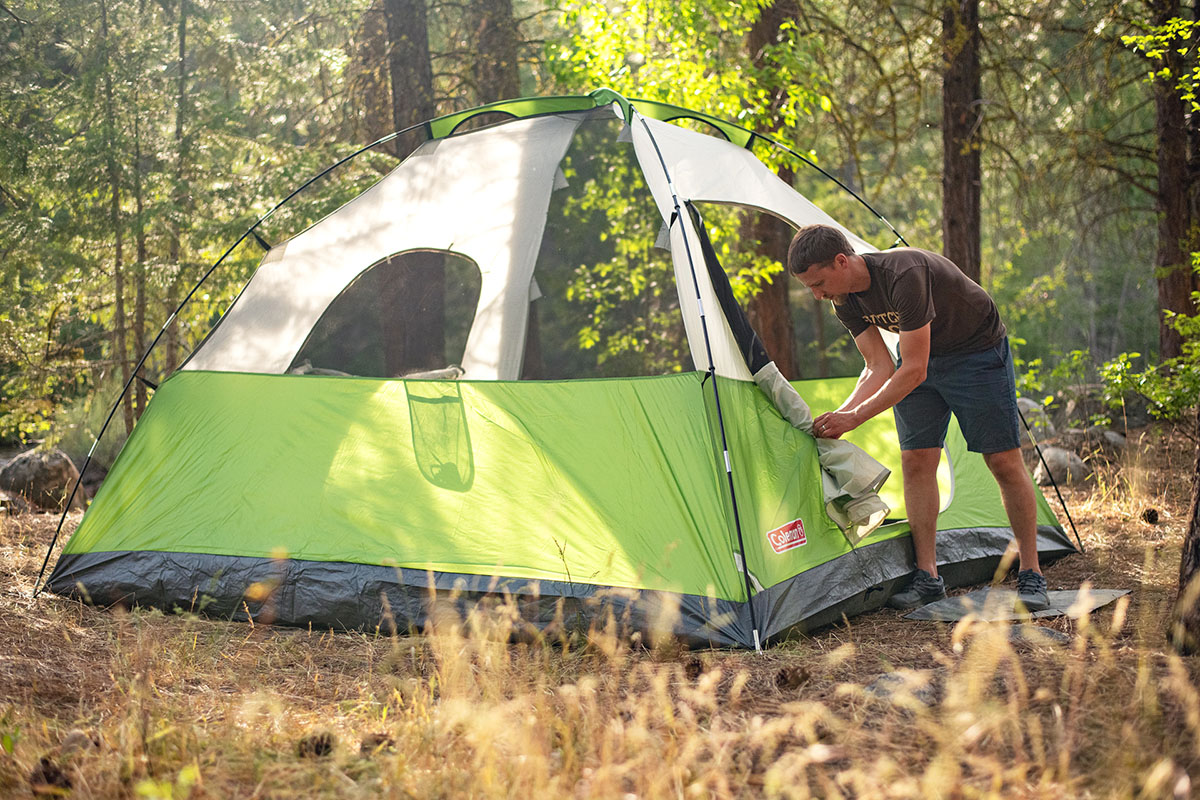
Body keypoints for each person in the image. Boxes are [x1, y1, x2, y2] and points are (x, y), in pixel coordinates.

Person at [787, 224, 1049, 612]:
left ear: (842, 261)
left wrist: (856, 418)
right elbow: (876, 365)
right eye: (810, 287)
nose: (817, 294)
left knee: (1002, 461)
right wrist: (841, 414)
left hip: (977, 354)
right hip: (920, 360)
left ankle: (1032, 573)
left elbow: (913, 371)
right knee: (916, 460)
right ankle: (928, 578)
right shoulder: (843, 300)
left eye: (819, 282)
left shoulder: (902, 275)